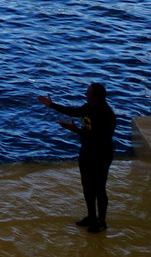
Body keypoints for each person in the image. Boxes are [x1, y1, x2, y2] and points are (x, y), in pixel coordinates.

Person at [38, 83, 116, 233]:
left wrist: (76, 130)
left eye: (89, 94)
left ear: (96, 97)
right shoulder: (88, 107)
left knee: (99, 188)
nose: (86, 95)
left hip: (102, 154)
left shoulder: (107, 115)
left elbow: (101, 138)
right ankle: (91, 216)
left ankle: (102, 222)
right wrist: (51, 105)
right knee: (87, 185)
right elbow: (73, 112)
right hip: (86, 151)